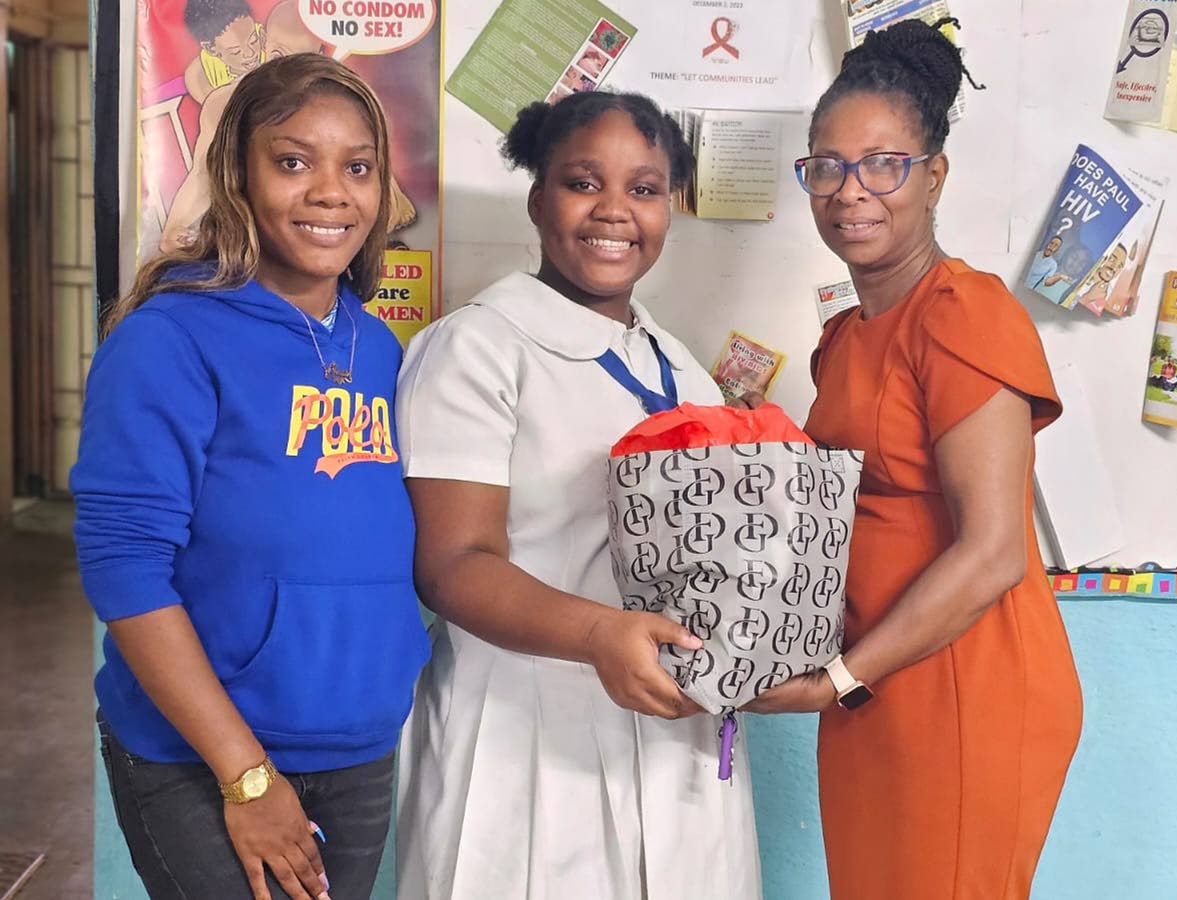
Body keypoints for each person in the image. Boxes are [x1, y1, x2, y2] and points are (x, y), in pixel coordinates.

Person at [72, 54, 430, 900]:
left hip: (356, 749)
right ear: (238, 172)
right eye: (293, 161)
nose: (331, 192)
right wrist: (247, 777)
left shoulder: (375, 346)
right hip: (204, 758)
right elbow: (123, 566)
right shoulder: (170, 338)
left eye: (359, 167)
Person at [392, 91, 762, 900]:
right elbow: (453, 564)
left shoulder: (679, 364)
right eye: (582, 182)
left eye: (645, 188)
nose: (615, 212)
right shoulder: (476, 349)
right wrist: (599, 635)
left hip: (675, 729)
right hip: (525, 732)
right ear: (538, 198)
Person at [744, 19, 1082, 900]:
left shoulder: (965, 313)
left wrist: (840, 679)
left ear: (933, 176)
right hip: (875, 683)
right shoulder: (840, 339)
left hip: (965, 683)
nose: (851, 191)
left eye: (884, 163)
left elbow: (993, 551)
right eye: (827, 166)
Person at [162, 1, 418, 252]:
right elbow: (201, 175)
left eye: (253, 41)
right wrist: (176, 228)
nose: (251, 54)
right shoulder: (221, 101)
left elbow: (392, 209)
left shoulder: (339, 108)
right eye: (238, 52)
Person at [183, 0, 264, 103]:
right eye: (236, 51)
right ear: (211, 49)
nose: (250, 54)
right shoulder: (199, 74)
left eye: (253, 41)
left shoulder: (273, 40)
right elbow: (219, 113)